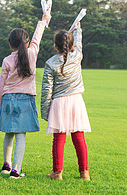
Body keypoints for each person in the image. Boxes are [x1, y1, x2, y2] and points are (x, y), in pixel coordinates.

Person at [0, 9, 51, 179]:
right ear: (27, 43)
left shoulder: (6, 60)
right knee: (21, 134)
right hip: (25, 99)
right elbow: (37, 37)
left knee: (9, 132)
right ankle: (16, 170)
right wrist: (43, 20)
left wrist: (2, 102)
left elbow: (2, 84)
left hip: (8, 98)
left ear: (10, 44)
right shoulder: (32, 54)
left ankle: (6, 165)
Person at [41, 22, 91, 180]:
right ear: (72, 46)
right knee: (79, 137)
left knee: (59, 138)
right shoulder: (77, 56)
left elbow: (46, 91)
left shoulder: (50, 63)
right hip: (76, 101)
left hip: (59, 103)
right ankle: (84, 173)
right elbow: (79, 42)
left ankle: (57, 173)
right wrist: (78, 28)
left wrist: (45, 111)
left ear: (55, 46)